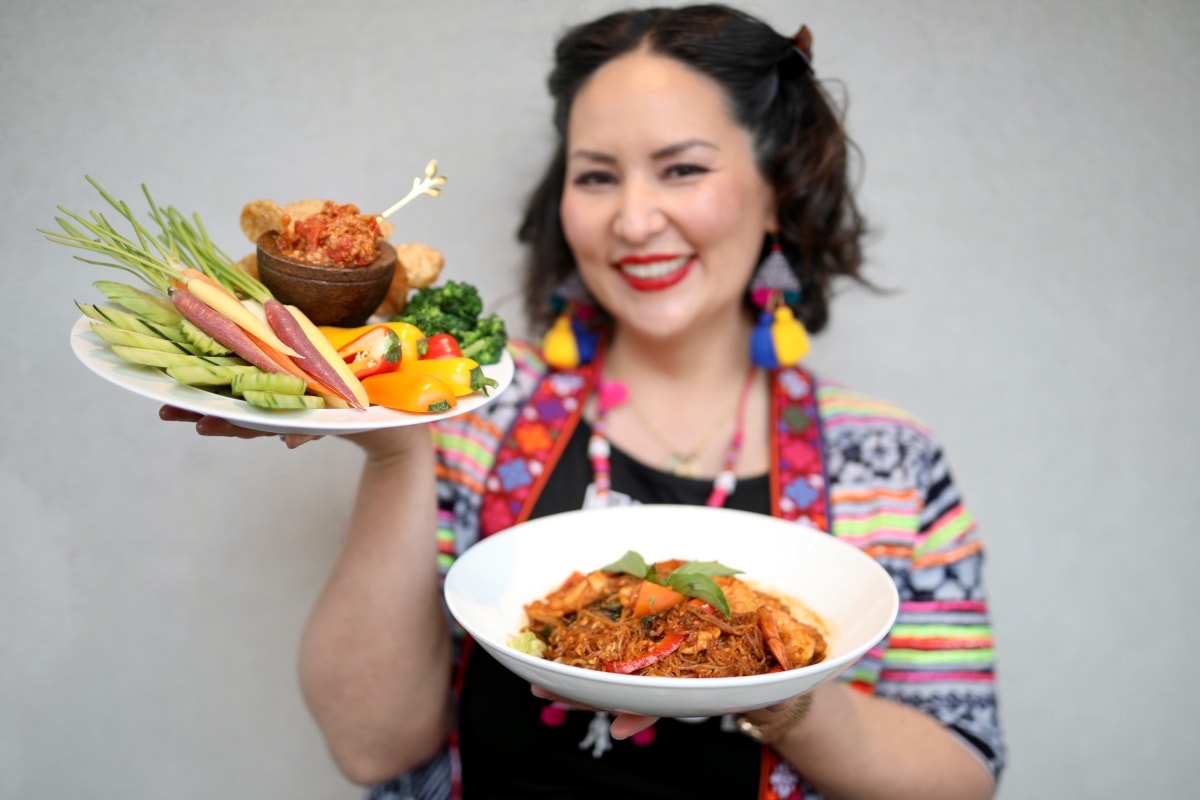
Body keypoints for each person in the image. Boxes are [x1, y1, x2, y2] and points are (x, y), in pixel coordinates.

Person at [163, 4, 1005, 798]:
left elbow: (962, 770)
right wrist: (398, 445)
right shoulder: (471, 401)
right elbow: (372, 744)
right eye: (597, 176)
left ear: (777, 189)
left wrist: (787, 697)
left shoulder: (894, 463)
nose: (634, 219)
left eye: (681, 169)